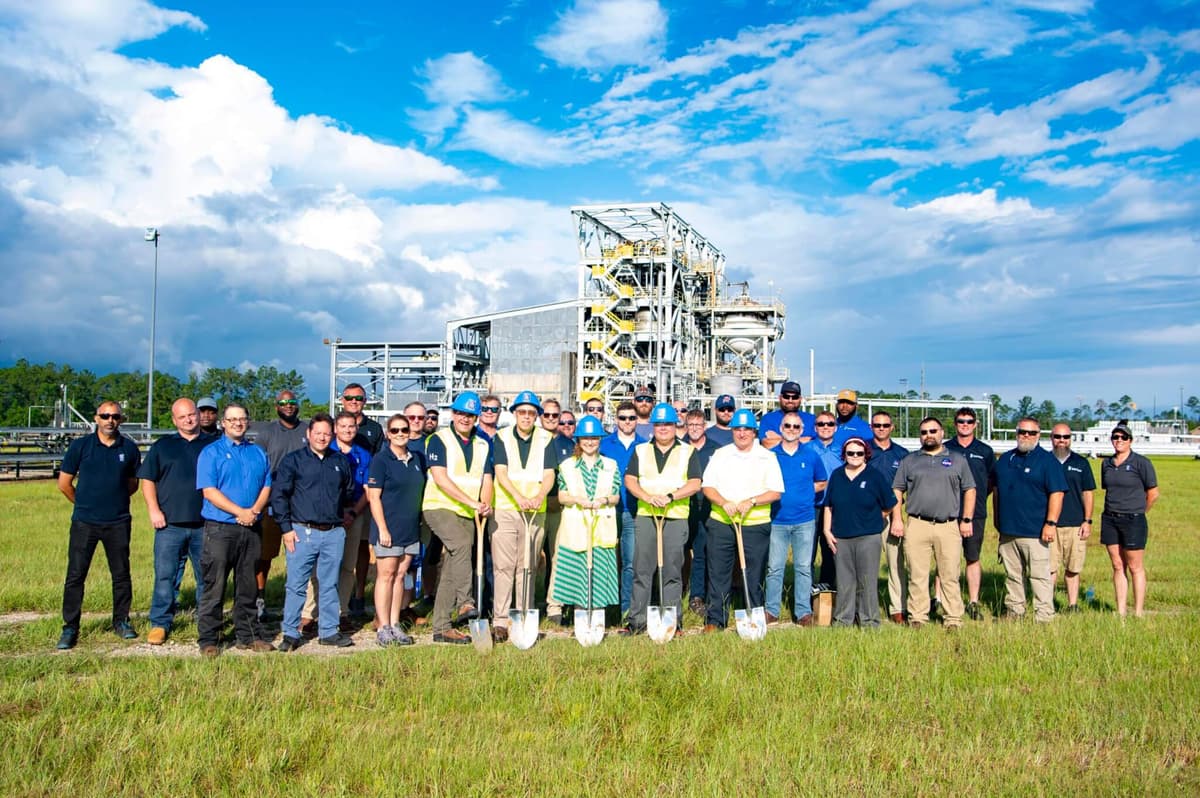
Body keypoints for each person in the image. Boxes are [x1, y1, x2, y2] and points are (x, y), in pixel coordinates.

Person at [55, 401, 142, 650]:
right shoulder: (80, 446)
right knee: (76, 575)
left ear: (121, 419)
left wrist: (113, 503)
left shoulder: (129, 448)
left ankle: (121, 621)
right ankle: (70, 627)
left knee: (121, 574)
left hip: (118, 522)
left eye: (115, 416)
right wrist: (83, 504)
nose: (110, 420)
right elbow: (64, 484)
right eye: (105, 415)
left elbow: (132, 484)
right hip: (85, 522)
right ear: (96, 418)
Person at [195, 402, 274, 656]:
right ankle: (209, 639)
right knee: (215, 585)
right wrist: (239, 512)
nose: (238, 423)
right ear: (223, 423)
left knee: (248, 584)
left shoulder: (258, 453)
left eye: (242, 419)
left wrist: (254, 511)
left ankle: (248, 635)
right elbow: (209, 491)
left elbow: (266, 485)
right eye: (232, 419)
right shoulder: (211, 452)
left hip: (251, 527)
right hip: (220, 528)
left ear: (248, 422)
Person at [138, 397, 216, 644]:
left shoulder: (213, 444)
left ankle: (206, 622)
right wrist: (154, 510)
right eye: (182, 417)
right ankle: (160, 622)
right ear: (174, 420)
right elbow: (148, 480)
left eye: (192, 414)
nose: (189, 420)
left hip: (205, 523)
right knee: (166, 575)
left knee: (207, 576)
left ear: (198, 414)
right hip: (169, 524)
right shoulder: (163, 446)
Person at [274, 413, 354, 651]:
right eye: (317, 433)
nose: (322, 437)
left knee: (329, 583)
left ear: (332, 435)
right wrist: (286, 529)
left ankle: (328, 631)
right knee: (296, 584)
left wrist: (342, 519)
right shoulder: (293, 461)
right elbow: (280, 496)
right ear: (308, 434)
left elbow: (347, 492)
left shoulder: (340, 461)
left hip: (333, 532)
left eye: (326, 434)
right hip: (301, 531)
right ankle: (290, 633)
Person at [623, 403, 702, 635]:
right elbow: (630, 480)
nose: (663, 428)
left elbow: (695, 483)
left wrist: (670, 497)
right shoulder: (640, 450)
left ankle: (672, 622)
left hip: (675, 517)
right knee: (642, 570)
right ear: (654, 427)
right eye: (659, 424)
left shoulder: (688, 451)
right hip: (647, 516)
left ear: (675, 425)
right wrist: (647, 497)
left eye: (668, 423)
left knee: (672, 571)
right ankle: (637, 622)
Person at [701, 409, 783, 631]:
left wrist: (753, 501)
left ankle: (754, 616)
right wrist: (722, 501)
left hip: (754, 524)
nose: (742, 433)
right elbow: (707, 486)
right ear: (732, 431)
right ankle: (715, 620)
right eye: (738, 429)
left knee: (753, 574)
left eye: (747, 429)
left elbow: (775, 492)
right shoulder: (721, 454)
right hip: (722, 522)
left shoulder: (767, 457)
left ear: (754, 432)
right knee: (718, 573)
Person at [423, 391, 495, 644]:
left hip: (469, 513)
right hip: (439, 506)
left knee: (455, 567)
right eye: (461, 413)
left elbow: (487, 479)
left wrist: (484, 504)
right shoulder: (438, 440)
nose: (465, 419)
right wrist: (471, 502)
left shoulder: (484, 444)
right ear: (453, 414)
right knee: (462, 546)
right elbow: (441, 479)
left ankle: (441, 627)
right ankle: (466, 603)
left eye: (471, 415)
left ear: (476, 417)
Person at [891, 417, 976, 629]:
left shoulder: (957, 459)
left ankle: (953, 618)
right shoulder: (909, 461)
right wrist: (897, 518)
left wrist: (966, 519)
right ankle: (918, 617)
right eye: (924, 432)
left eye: (933, 431)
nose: (928, 435)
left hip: (948, 525)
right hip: (917, 523)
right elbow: (897, 490)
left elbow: (970, 489)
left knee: (950, 574)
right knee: (917, 574)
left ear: (942, 433)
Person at [490, 391, 557, 643]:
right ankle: (500, 620)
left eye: (531, 413)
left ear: (536, 416)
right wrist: (518, 497)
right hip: (507, 509)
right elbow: (501, 472)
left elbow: (549, 474)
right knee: (504, 566)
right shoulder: (502, 437)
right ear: (515, 413)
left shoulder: (546, 438)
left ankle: (524, 617)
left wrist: (540, 496)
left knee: (527, 566)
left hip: (534, 510)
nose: (526, 417)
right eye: (522, 412)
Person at [298, 411, 371, 635]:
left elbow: (367, 488)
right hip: (328, 517)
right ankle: (311, 614)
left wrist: (354, 513)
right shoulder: (327, 452)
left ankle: (341, 612)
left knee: (347, 566)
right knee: (319, 568)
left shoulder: (364, 455)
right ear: (335, 429)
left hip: (355, 514)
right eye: (343, 426)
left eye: (352, 426)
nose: (348, 430)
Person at [992, 418, 1066, 623]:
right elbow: (996, 491)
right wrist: (997, 520)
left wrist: (1050, 523)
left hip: (1035, 531)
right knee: (1012, 575)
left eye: (1031, 433)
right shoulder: (1005, 460)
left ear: (1038, 435)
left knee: (1039, 576)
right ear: (1016, 433)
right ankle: (1015, 610)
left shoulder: (1047, 461)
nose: (1026, 436)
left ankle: (1044, 615)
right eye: (1022, 432)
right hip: (1008, 530)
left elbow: (1057, 494)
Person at [823, 438, 899, 627]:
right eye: (850, 453)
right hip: (841, 536)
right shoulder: (837, 475)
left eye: (859, 453)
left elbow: (890, 503)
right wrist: (826, 530)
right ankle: (843, 620)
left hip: (868, 536)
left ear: (866, 454)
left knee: (867, 581)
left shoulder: (875, 476)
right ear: (844, 455)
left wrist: (875, 518)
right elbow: (828, 505)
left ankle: (869, 620)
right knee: (844, 581)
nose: (855, 457)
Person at [551, 416, 621, 619]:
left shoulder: (610, 465)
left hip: (601, 527)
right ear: (579, 440)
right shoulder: (567, 466)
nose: (590, 442)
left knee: (599, 573)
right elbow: (562, 496)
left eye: (594, 438)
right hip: (576, 527)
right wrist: (577, 499)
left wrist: (604, 500)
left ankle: (598, 614)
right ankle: (579, 613)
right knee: (578, 572)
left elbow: (616, 495)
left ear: (600, 439)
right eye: (585, 438)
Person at [367, 413, 426, 646]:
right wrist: (382, 528)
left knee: (401, 576)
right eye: (395, 431)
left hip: (410, 527)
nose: (400, 434)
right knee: (386, 575)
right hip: (387, 528)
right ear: (387, 433)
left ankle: (395, 623)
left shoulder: (417, 459)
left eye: (404, 430)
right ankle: (382, 626)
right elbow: (374, 496)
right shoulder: (381, 460)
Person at [766, 411, 829, 626]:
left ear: (802, 430)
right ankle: (771, 610)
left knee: (803, 567)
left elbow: (822, 481)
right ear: (781, 429)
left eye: (796, 427)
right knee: (775, 567)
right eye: (787, 426)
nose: (791, 430)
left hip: (804, 520)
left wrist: (805, 491)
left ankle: (803, 611)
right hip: (777, 520)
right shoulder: (770, 456)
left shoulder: (811, 455)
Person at [251, 389, 308, 622]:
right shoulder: (266, 433)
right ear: (276, 406)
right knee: (265, 554)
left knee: (301, 556)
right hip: (273, 502)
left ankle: (298, 604)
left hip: (303, 503)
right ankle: (259, 598)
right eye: (283, 402)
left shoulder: (307, 430)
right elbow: (257, 468)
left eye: (292, 402)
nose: (288, 405)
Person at [1101, 423, 1158, 618]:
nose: (1119, 440)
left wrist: (1140, 512)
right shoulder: (1106, 464)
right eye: (1115, 437)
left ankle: (1139, 611)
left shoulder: (1141, 463)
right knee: (1117, 565)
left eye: (1123, 437)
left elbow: (1153, 493)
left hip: (1133, 519)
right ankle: (1121, 610)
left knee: (1135, 566)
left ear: (1130, 441)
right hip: (1110, 518)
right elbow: (1107, 489)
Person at [944, 406, 996, 621]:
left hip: (975, 514)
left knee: (972, 557)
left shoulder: (984, 451)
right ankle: (941, 599)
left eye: (968, 421)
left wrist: (977, 501)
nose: (964, 425)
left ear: (975, 424)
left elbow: (992, 481)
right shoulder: (945, 449)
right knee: (945, 559)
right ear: (955, 424)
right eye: (961, 421)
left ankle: (973, 601)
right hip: (947, 512)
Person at [599, 400, 646, 616]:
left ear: (637, 420)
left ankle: (627, 609)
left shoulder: (645, 446)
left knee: (630, 562)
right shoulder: (604, 445)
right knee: (606, 560)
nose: (627, 422)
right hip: (607, 510)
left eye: (631, 418)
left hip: (632, 510)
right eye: (623, 418)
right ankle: (607, 607)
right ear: (616, 420)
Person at [867, 411, 910, 624]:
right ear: (871, 426)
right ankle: (867, 607)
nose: (881, 428)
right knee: (866, 565)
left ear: (892, 427)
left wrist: (897, 518)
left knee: (895, 564)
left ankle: (898, 608)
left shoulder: (902, 454)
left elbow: (904, 489)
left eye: (885, 425)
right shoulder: (862, 451)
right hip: (866, 515)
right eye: (877, 425)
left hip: (893, 516)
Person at [1049, 424, 1096, 612]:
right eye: (1058, 437)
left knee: (1073, 568)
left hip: (1076, 524)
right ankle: (1048, 604)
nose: (1062, 440)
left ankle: (1072, 604)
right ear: (1051, 438)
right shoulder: (1044, 461)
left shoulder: (1081, 463)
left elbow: (1088, 493)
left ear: (1071, 439)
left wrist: (1088, 520)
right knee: (1050, 568)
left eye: (1066, 437)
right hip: (1050, 525)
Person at [683, 409, 721, 616]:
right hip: (682, 506)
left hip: (706, 507)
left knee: (701, 553)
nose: (695, 429)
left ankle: (697, 596)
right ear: (686, 426)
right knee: (678, 553)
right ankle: (675, 592)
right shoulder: (679, 447)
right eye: (691, 425)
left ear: (704, 426)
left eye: (698, 425)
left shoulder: (716, 450)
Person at [543, 400, 577, 625]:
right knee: (527, 560)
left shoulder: (569, 444)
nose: (552, 419)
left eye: (556, 416)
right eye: (548, 415)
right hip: (533, 506)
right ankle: (524, 605)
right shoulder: (535, 440)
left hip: (559, 508)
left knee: (559, 557)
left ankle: (555, 606)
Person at [807, 410, 843, 587]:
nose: (825, 427)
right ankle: (806, 593)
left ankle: (828, 589)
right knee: (808, 552)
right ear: (815, 427)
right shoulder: (806, 449)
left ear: (835, 427)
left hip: (835, 507)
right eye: (821, 424)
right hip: (812, 507)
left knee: (831, 550)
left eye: (829, 424)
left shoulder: (843, 450)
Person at [760, 381, 815, 448]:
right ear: (780, 397)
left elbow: (814, 446)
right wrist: (801, 440)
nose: (790, 400)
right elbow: (767, 444)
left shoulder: (812, 419)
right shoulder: (767, 419)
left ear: (800, 399)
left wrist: (779, 439)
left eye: (795, 397)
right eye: (786, 396)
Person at [340, 383, 384, 454]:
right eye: (349, 398)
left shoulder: (375, 428)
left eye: (358, 398)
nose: (354, 401)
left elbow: (380, 458)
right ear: (342, 400)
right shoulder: (332, 426)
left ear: (365, 401)